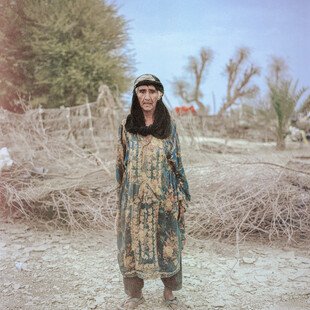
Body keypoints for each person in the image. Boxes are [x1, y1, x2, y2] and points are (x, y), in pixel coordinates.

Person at [115, 74, 191, 310]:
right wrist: (120, 202)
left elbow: (177, 161)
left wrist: (181, 194)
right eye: (142, 91)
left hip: (164, 199)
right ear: (136, 95)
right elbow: (120, 165)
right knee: (129, 244)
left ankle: (169, 293)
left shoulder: (169, 127)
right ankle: (134, 295)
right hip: (133, 200)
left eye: (151, 91)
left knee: (168, 243)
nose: (147, 96)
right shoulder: (127, 127)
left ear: (160, 95)